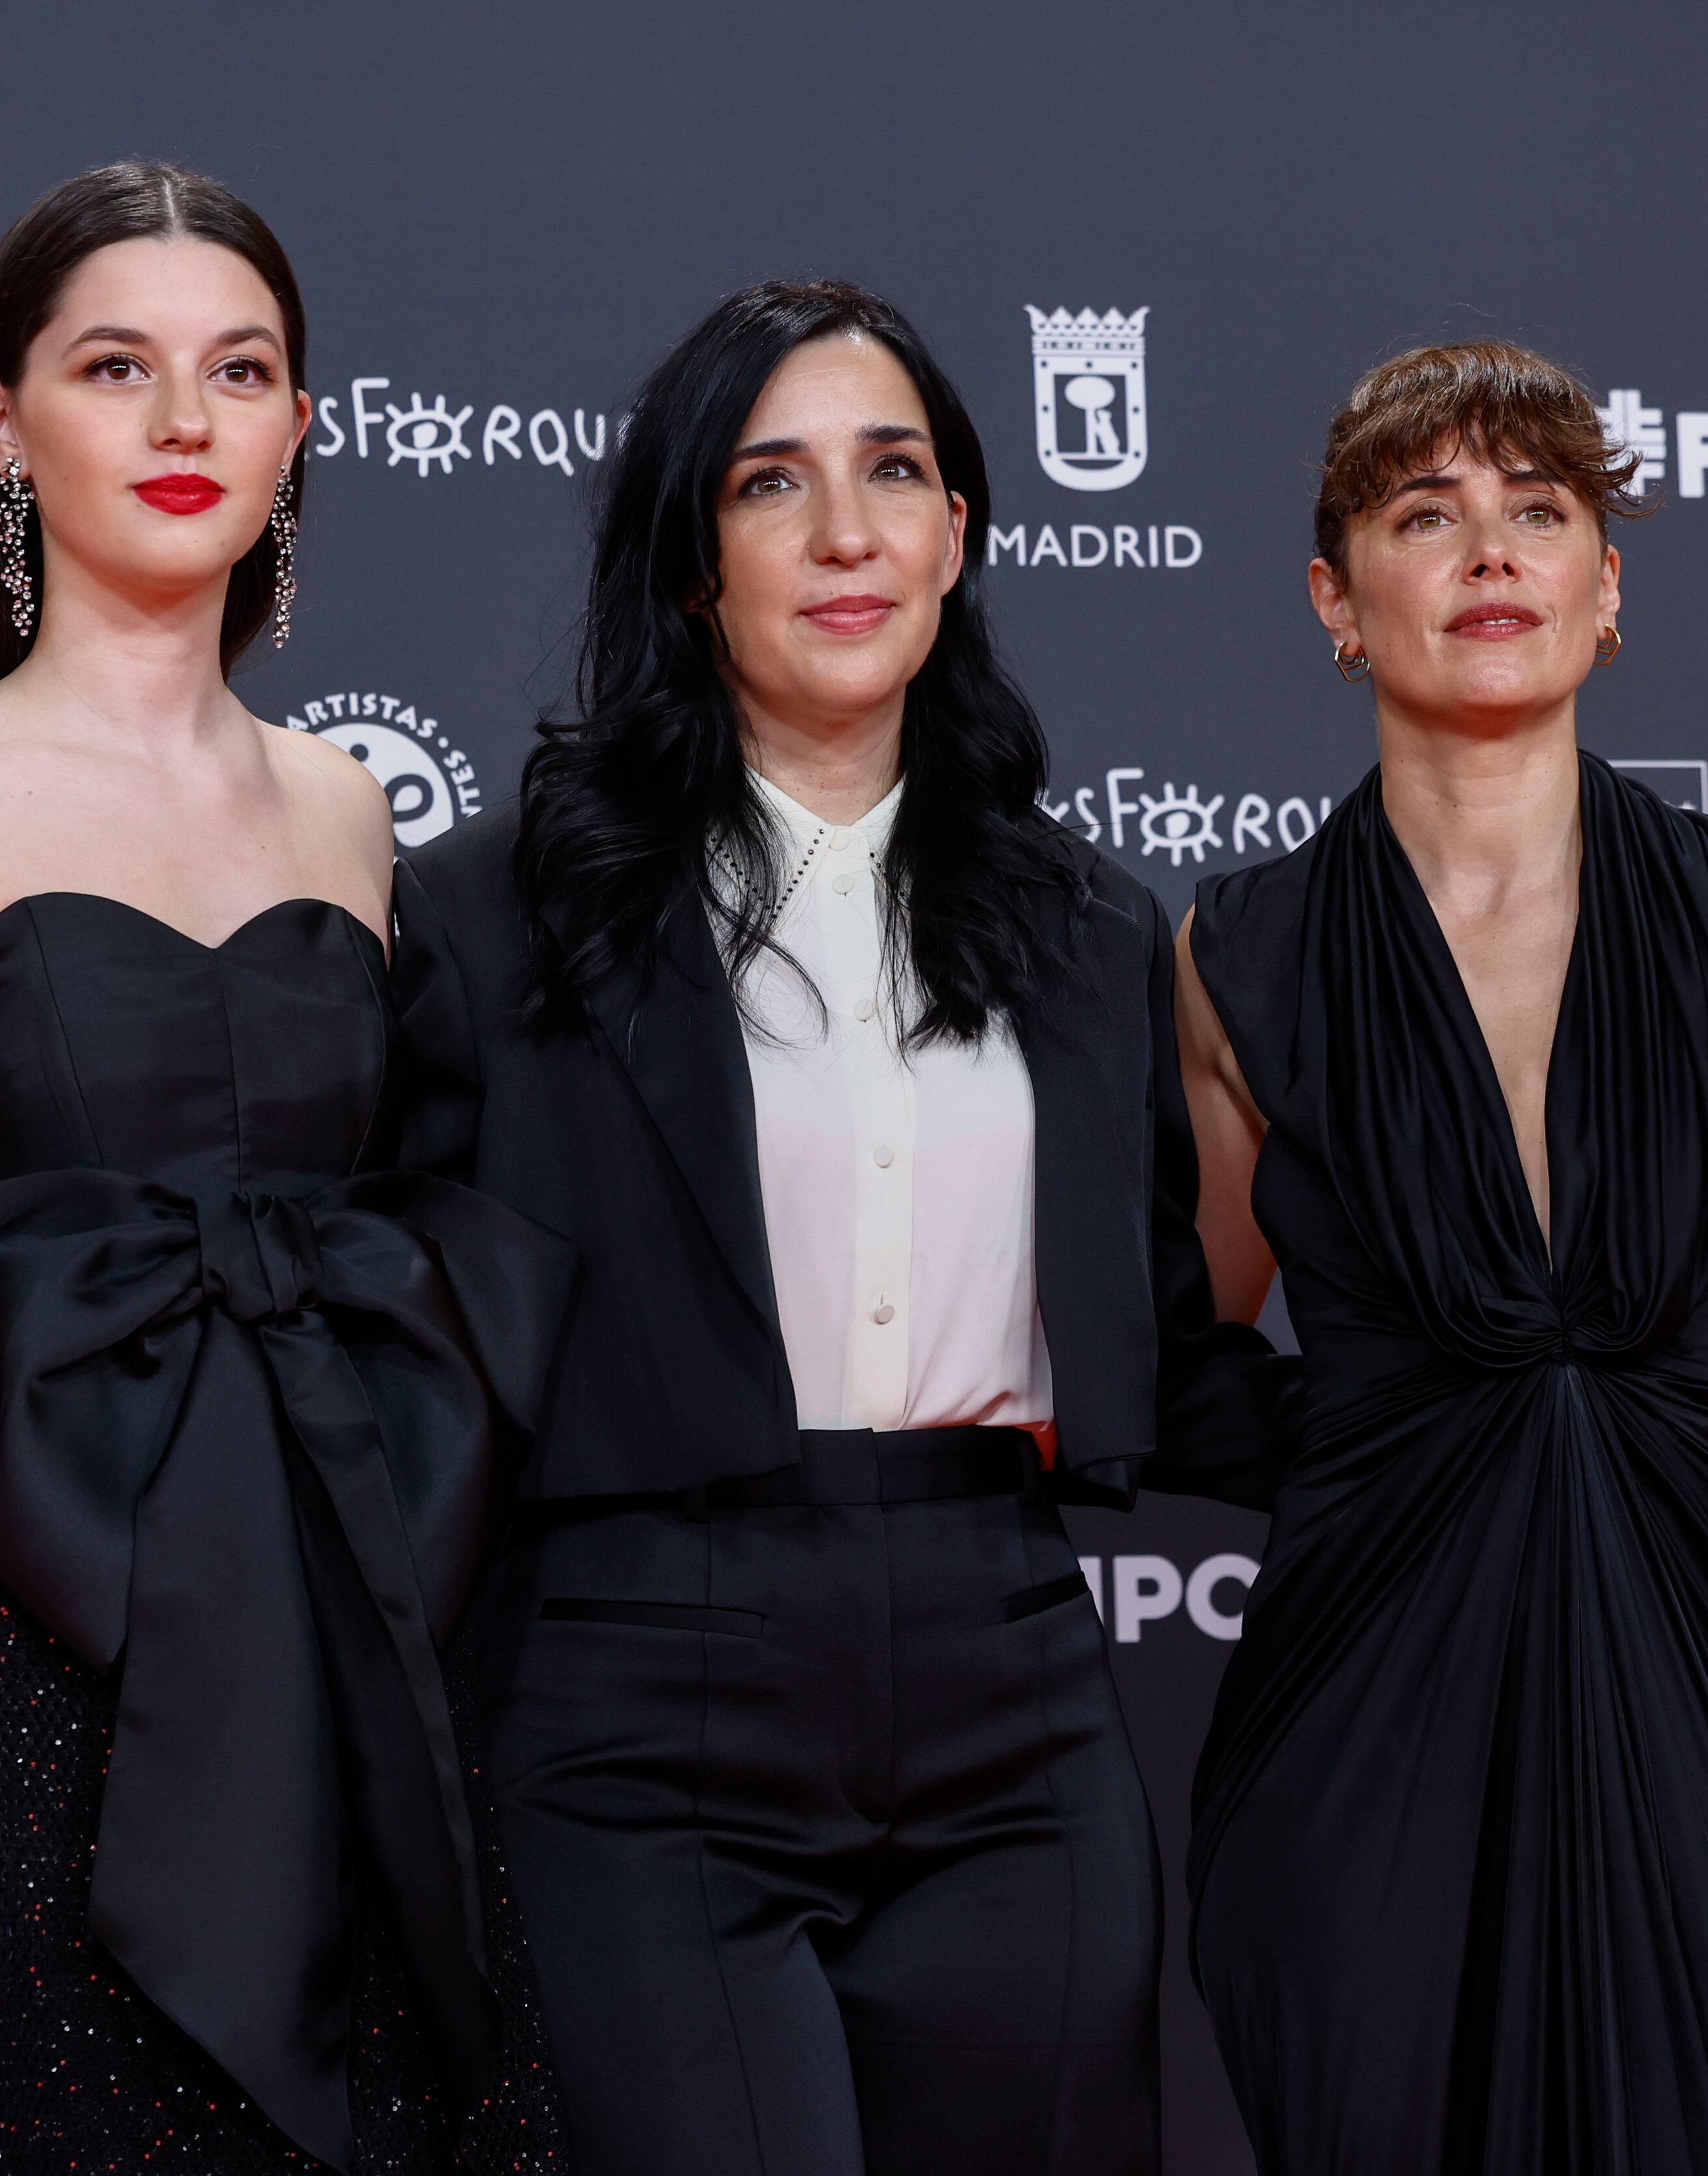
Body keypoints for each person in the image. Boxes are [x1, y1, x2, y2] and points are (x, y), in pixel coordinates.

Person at [0, 161, 572, 2176]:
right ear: (3, 423)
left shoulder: (351, 815)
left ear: (297, 431)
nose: (187, 423)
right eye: (119, 368)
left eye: (240, 373)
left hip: (326, 1657)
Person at [390, 278, 1282, 2176]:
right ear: (689, 554)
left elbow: (1172, 1343)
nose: (848, 534)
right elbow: (388, 1342)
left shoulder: (1090, 929)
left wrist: (1507, 1436)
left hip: (1014, 1684)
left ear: (962, 528)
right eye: (770, 484)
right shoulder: (496, 916)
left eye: (894, 473)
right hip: (634, 1691)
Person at [1166, 341, 1708, 2174]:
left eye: (1541, 512)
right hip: (1368, 1759)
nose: (1489, 553)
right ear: (1335, 602)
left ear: (1608, 592)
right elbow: (1182, 1362)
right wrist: (1410, 1441)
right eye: (1423, 516)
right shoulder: (1242, 958)